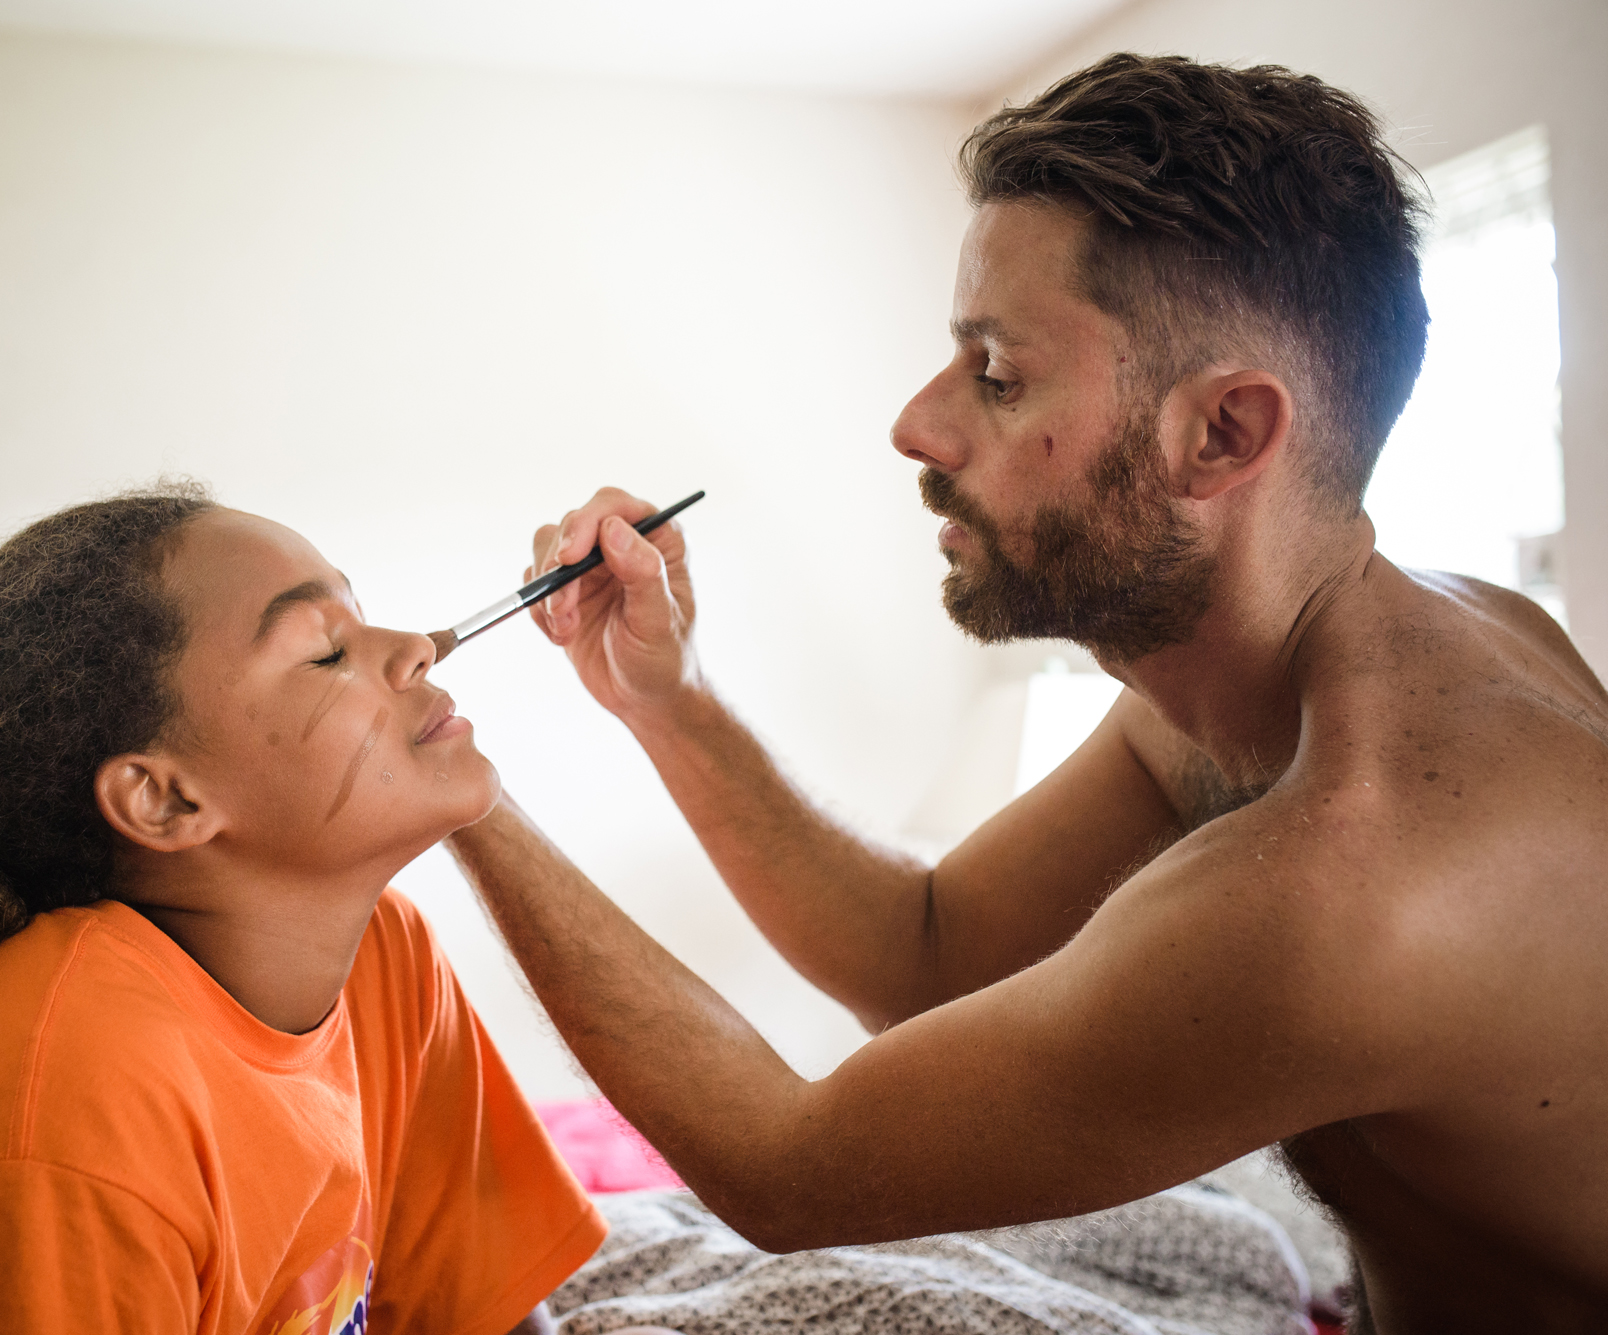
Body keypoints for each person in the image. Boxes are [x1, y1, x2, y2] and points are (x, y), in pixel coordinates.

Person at [443, 54, 1608, 1334]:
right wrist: (669, 700)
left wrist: (453, 788)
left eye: (996, 375)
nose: (915, 426)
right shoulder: (1237, 689)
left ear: (1221, 433)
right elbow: (929, 958)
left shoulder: (1359, 877)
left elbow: (787, 1169)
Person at [0, 485, 607, 1334]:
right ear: (165, 801)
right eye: (324, 652)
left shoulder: (380, 960)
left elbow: (477, 1311)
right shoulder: (62, 1133)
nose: (416, 646)